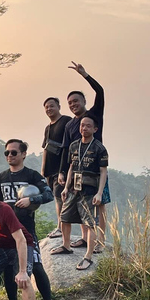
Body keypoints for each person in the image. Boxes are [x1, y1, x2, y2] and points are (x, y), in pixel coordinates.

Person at [0, 139, 57, 300]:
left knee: (36, 266)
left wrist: (32, 200)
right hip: (5, 231)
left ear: (23, 154)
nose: (10, 156)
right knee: (9, 268)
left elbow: (49, 194)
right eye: (7, 153)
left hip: (26, 230)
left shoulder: (32, 175)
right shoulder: (1, 177)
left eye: (14, 152)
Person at [60, 62, 108, 252]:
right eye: (70, 103)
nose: (73, 105)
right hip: (78, 171)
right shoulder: (70, 125)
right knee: (80, 202)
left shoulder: (93, 115)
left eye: (76, 101)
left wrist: (85, 75)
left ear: (84, 102)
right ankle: (84, 238)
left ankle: (100, 241)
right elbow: (67, 150)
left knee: (100, 203)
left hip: (96, 167)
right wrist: (63, 172)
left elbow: (101, 92)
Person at [53, 116, 109, 271]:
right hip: (73, 188)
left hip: (90, 189)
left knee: (90, 223)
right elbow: (71, 166)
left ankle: (88, 256)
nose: (84, 128)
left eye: (88, 126)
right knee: (65, 218)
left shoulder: (99, 148)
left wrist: (99, 193)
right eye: (82, 125)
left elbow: (103, 172)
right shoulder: (74, 145)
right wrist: (65, 187)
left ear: (94, 129)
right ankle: (66, 246)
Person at [41, 97, 72, 238]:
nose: (49, 109)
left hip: (62, 169)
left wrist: (64, 170)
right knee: (56, 197)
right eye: (46, 107)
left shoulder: (66, 121)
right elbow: (45, 148)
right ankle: (60, 226)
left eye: (51, 106)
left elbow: (70, 146)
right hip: (50, 169)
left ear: (59, 106)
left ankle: (61, 227)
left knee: (61, 198)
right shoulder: (48, 128)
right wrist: (43, 169)